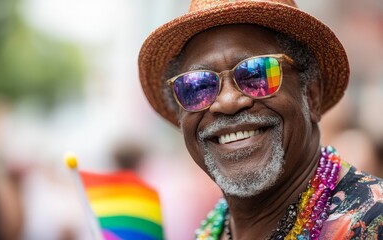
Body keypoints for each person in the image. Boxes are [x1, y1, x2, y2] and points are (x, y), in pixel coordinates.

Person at [138, 0, 383, 239]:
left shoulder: (373, 222)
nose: (228, 102)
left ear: (312, 95)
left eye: (257, 73)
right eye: (198, 86)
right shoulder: (211, 230)